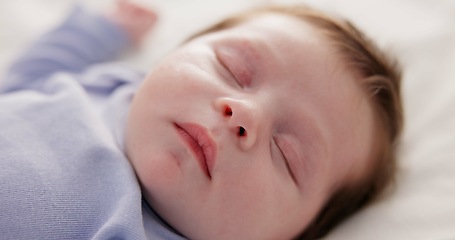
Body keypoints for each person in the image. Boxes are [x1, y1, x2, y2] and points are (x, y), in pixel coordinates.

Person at [0, 0, 403, 239]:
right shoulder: (115, 86)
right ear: (178, 52)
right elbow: (32, 79)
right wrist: (99, 29)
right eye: (231, 67)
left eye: (287, 154)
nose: (245, 114)